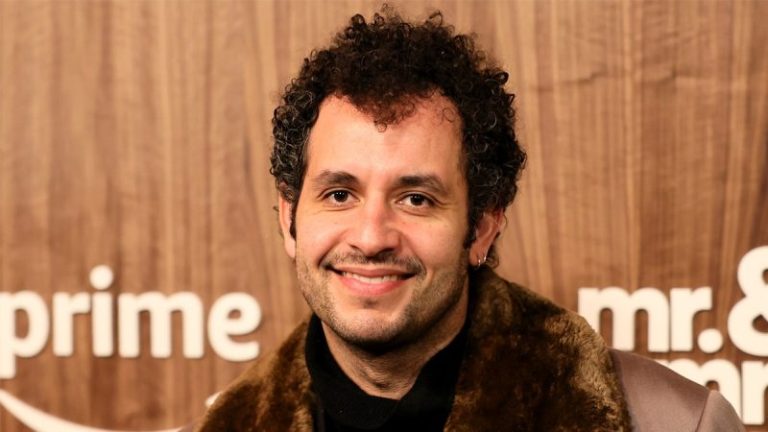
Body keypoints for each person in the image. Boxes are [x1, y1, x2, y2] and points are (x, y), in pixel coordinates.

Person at [192, 8, 744, 432]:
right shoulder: (227, 425)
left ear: (481, 226)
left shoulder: (675, 423)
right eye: (339, 194)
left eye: (416, 199)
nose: (371, 236)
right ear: (289, 217)